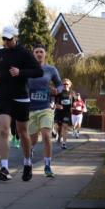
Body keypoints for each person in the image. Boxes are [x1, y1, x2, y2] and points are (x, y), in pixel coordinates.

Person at [0, 26, 41, 182]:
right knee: (4, 130)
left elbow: (38, 71)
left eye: (9, 39)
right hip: (5, 96)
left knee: (22, 133)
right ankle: (4, 168)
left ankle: (27, 162)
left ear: (16, 37)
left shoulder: (25, 53)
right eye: (4, 39)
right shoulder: (1, 53)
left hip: (21, 97)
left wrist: (21, 73)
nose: (6, 42)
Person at [27, 44, 63, 178]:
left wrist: (57, 90)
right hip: (31, 109)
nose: (39, 54)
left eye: (41, 52)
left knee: (46, 135)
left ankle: (47, 165)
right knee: (33, 139)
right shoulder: (28, 70)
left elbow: (59, 85)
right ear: (33, 54)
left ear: (45, 54)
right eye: (36, 52)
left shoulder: (51, 70)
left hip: (46, 107)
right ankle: (29, 152)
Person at [54, 78, 74, 149]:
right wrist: (58, 106)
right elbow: (55, 103)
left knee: (65, 126)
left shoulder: (72, 93)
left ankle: (64, 143)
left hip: (67, 112)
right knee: (59, 126)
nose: (65, 85)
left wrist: (72, 108)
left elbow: (73, 103)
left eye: (67, 84)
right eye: (64, 84)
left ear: (70, 85)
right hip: (59, 111)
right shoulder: (59, 93)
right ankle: (59, 135)